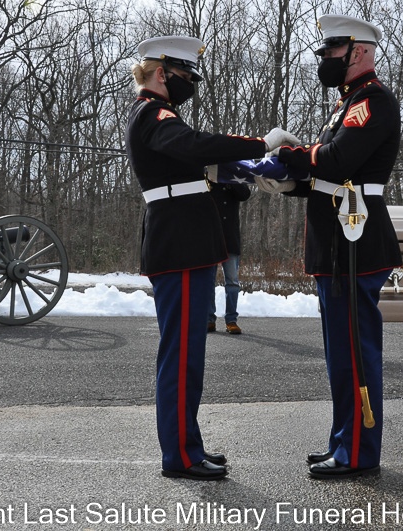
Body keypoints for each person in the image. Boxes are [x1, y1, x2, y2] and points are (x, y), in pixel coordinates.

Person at [125, 35, 297, 481]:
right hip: (180, 246)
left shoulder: (160, 117)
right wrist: (260, 143)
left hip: (188, 245)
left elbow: (195, 163)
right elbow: (194, 145)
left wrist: (249, 172)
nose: (190, 82)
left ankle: (189, 446)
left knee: (189, 356)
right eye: (184, 74)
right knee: (181, 356)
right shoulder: (153, 114)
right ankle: (181, 456)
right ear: (161, 72)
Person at [258, 14, 403, 479]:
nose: (325, 59)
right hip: (338, 245)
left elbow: (338, 160)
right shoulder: (347, 104)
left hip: (355, 246)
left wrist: (287, 155)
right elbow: (329, 176)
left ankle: (358, 452)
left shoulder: (372, 100)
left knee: (354, 355)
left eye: (332, 51)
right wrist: (288, 181)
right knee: (341, 355)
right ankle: (344, 440)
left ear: (358, 51)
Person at [207, 181, 250, 334]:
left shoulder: (233, 175)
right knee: (208, 281)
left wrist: (229, 179)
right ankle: (209, 319)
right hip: (211, 236)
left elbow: (245, 194)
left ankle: (231, 320)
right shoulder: (207, 176)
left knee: (232, 281)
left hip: (230, 237)